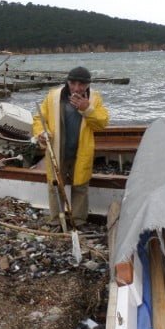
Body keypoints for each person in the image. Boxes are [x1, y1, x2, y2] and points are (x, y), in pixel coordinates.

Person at [33, 66, 109, 228]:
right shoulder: (54, 96)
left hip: (81, 151)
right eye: (73, 83)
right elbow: (40, 118)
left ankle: (79, 221)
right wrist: (41, 133)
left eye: (81, 85)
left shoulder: (94, 99)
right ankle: (56, 220)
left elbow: (102, 124)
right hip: (57, 149)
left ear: (88, 85)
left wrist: (87, 109)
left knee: (80, 186)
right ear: (67, 81)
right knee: (55, 185)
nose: (76, 88)